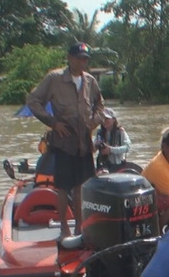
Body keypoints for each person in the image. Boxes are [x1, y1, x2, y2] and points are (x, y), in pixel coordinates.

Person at [25, 42, 104, 240]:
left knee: (81, 185)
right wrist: (53, 123)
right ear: (69, 58)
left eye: (85, 59)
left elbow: (100, 104)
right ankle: (64, 229)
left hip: (84, 139)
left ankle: (79, 227)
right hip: (64, 138)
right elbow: (33, 101)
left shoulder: (90, 81)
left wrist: (95, 121)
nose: (82, 62)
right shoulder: (55, 79)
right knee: (63, 186)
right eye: (78, 58)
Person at [94, 108, 132, 173]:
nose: (104, 121)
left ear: (114, 120)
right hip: (103, 165)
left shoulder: (120, 132)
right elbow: (93, 149)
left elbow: (127, 148)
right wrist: (95, 146)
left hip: (117, 165)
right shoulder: (99, 133)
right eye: (103, 118)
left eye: (107, 118)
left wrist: (110, 149)